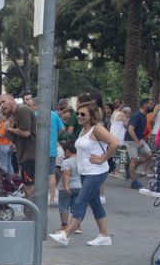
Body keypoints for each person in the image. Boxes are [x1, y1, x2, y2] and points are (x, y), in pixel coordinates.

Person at [48, 101, 119, 247]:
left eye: (83, 114)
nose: (79, 116)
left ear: (92, 115)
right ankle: (104, 235)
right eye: (78, 113)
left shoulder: (97, 129)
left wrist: (103, 158)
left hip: (96, 172)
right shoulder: (84, 129)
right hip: (86, 171)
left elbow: (115, 143)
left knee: (80, 201)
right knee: (95, 203)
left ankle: (66, 234)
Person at [0, 93, 37, 211]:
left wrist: (9, 128)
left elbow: (26, 133)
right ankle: (30, 209)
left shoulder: (22, 110)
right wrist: (8, 130)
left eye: (3, 102)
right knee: (27, 184)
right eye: (0, 103)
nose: (1, 105)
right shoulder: (14, 115)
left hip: (29, 154)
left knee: (29, 185)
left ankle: (31, 210)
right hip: (24, 154)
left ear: (12, 100)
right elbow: (16, 139)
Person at [126, 99, 153, 188]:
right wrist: (137, 141)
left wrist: (141, 140)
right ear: (144, 105)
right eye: (150, 104)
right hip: (131, 140)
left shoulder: (144, 116)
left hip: (139, 140)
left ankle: (131, 169)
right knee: (133, 160)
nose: (152, 106)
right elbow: (130, 129)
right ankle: (133, 181)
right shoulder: (136, 116)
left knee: (149, 155)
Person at [56, 140, 82, 232]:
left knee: (64, 206)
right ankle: (77, 226)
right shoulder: (81, 160)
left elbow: (66, 174)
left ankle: (64, 225)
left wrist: (66, 186)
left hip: (66, 187)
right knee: (76, 206)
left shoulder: (66, 162)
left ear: (67, 151)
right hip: (79, 186)